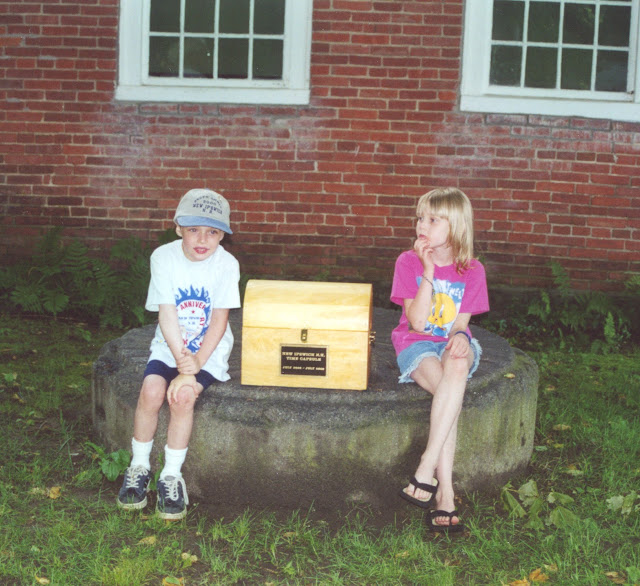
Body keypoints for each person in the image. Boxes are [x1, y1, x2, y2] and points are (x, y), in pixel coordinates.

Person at [117, 188, 241, 520]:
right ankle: (139, 466)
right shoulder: (163, 257)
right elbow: (167, 314)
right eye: (194, 230)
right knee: (152, 390)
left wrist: (194, 365)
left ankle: (171, 475)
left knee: (183, 396)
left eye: (213, 232)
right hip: (170, 343)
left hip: (209, 350)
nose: (203, 239)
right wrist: (179, 359)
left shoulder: (227, 264)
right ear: (178, 228)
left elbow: (219, 319)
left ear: (223, 235)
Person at [390, 187, 489, 533]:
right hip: (415, 345)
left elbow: (461, 324)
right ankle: (444, 492)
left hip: (450, 344)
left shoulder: (473, 270)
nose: (422, 225)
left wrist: (461, 336)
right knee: (452, 394)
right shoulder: (408, 261)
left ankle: (426, 469)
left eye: (432, 219)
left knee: (458, 366)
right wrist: (429, 269)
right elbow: (417, 322)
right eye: (420, 217)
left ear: (456, 226)